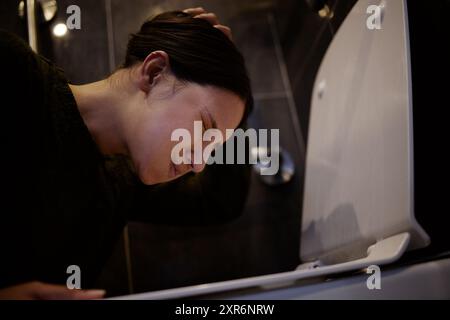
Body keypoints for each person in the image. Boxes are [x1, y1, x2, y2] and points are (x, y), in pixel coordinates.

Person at [0, 7, 253, 299]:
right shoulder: (13, 73)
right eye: (203, 130)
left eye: (212, 148)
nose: (198, 165)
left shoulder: (121, 183)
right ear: (155, 72)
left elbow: (221, 201)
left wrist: (236, 100)